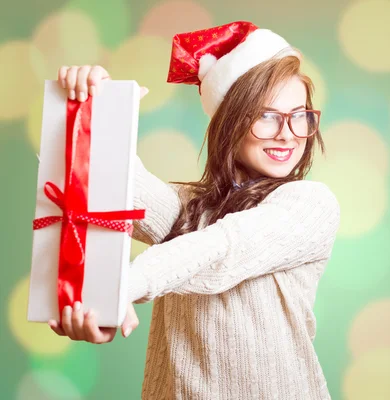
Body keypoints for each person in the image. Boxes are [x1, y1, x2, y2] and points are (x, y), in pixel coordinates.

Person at [47, 21, 341, 399]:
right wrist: (91, 101)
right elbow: (111, 185)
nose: (287, 133)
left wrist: (119, 289)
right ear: (229, 124)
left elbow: (223, 247)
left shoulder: (310, 205)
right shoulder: (188, 210)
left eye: (299, 115)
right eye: (267, 116)